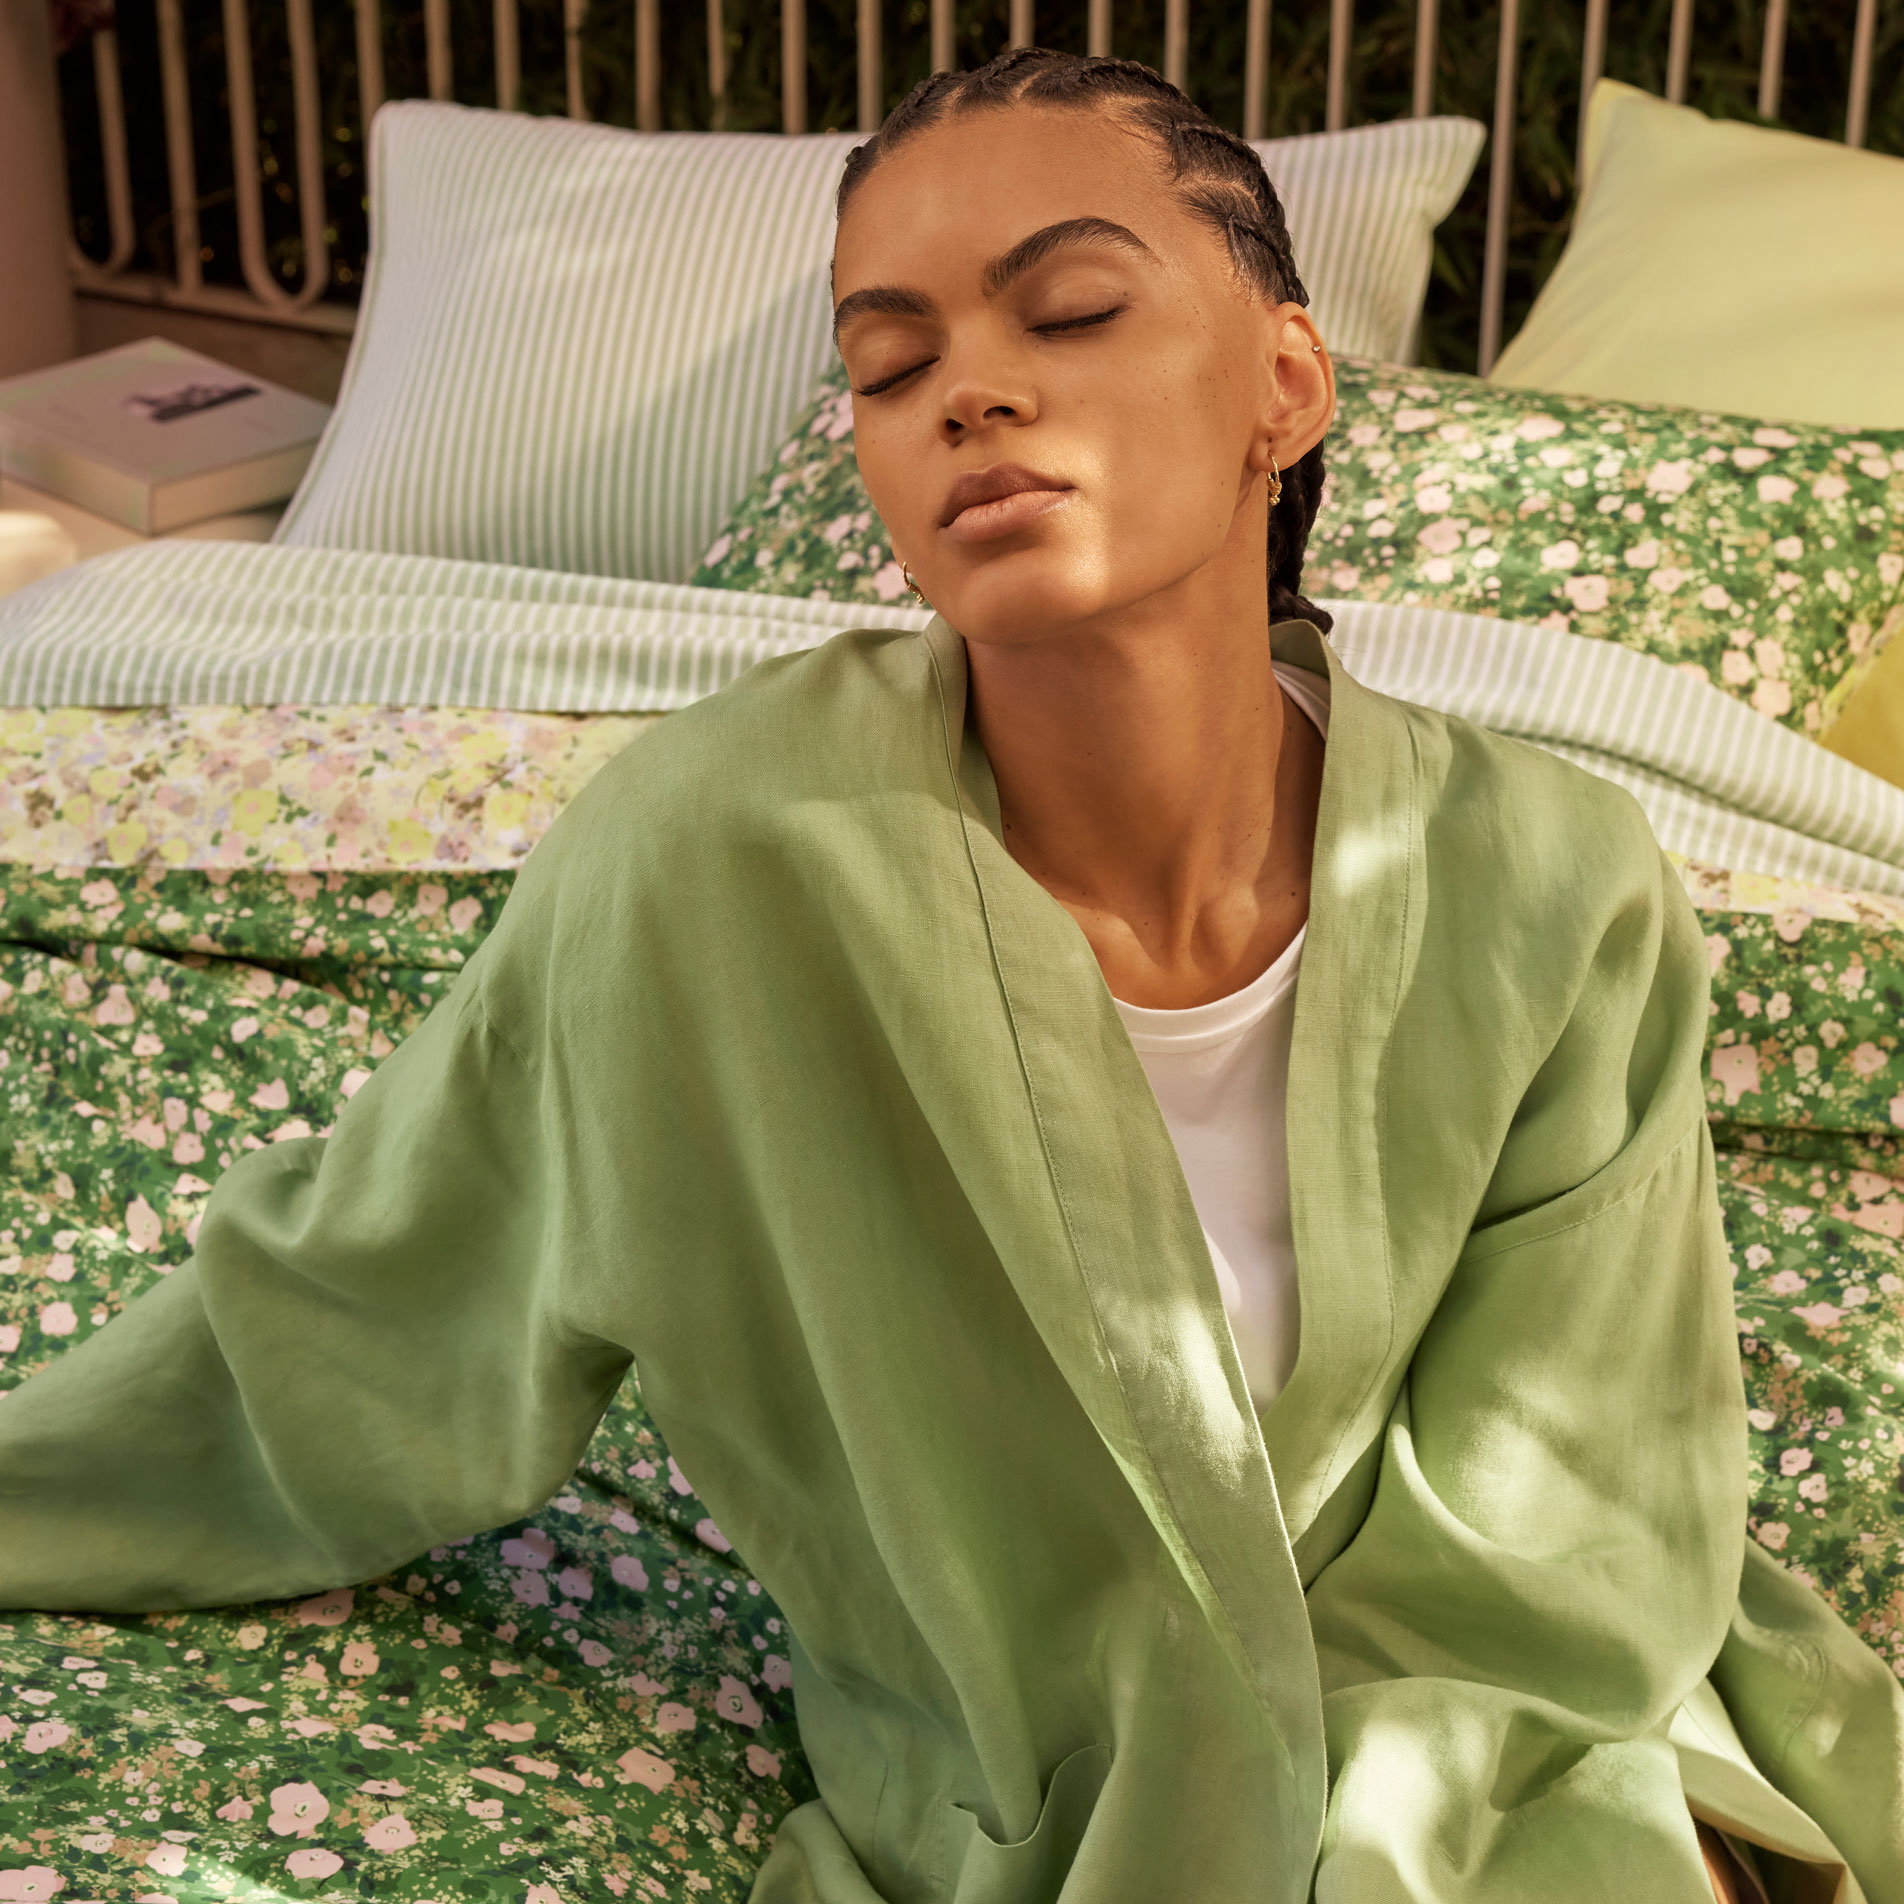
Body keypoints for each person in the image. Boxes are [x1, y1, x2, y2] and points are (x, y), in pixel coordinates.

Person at [2, 48, 1899, 1904]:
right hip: (1010, 1815)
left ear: (1289, 385)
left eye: (1069, 310)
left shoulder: (1558, 889)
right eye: (890, 365)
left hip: (1521, 1763)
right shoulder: (712, 863)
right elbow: (356, 1317)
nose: (969, 392)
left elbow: (1565, 1527)